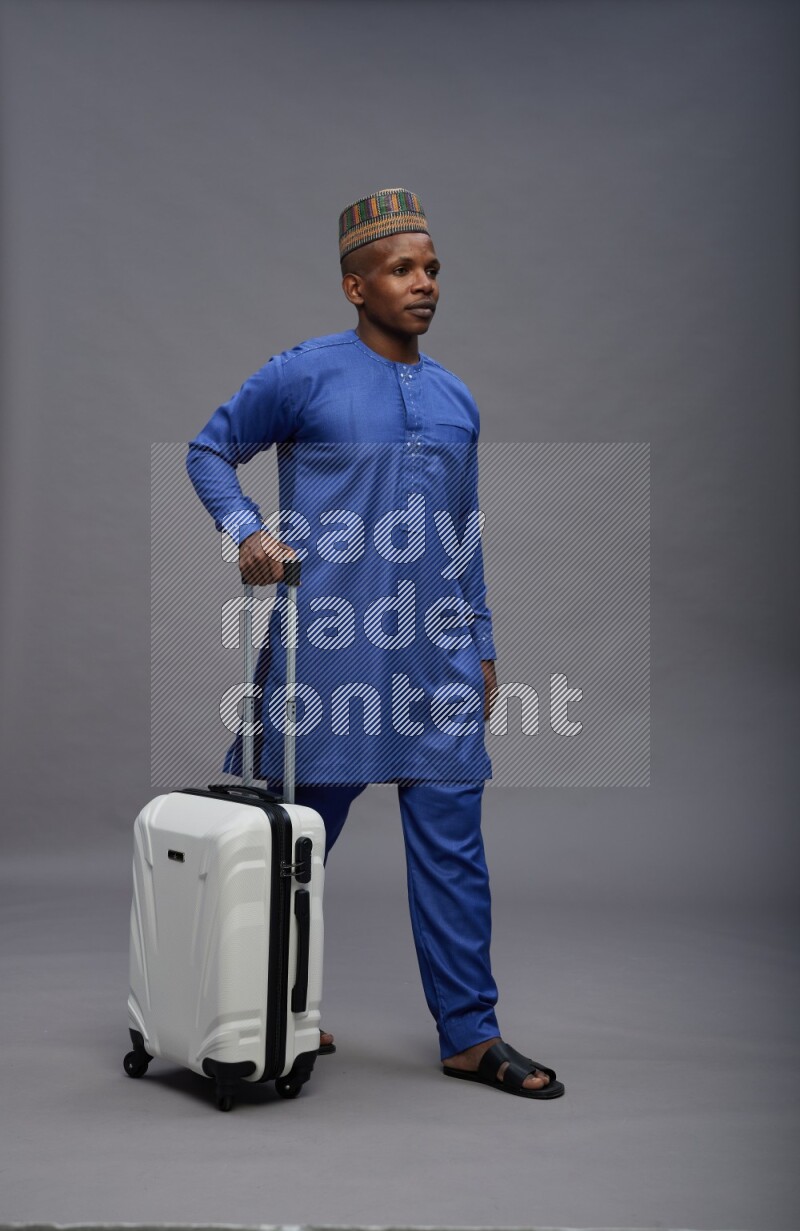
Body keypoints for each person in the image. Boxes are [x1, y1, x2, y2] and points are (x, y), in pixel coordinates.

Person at [186, 188, 564, 1099]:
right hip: (331, 655)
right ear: (356, 286)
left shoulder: (454, 398)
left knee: (453, 842)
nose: (424, 284)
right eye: (403, 269)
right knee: (292, 845)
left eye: (432, 268)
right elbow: (209, 449)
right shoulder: (304, 374)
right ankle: (258, 1008)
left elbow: (462, 528)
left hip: (433, 658)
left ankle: (471, 1033)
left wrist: (481, 637)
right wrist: (246, 529)